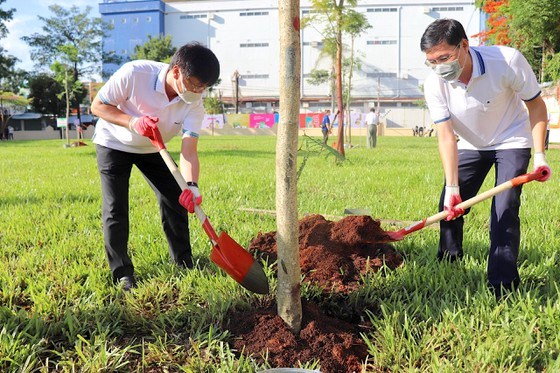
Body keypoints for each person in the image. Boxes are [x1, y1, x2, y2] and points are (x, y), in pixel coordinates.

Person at [420, 19, 551, 296]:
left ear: (464, 46)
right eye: (431, 61)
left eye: (444, 57)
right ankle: (449, 260)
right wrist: (453, 188)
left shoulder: (506, 61)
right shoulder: (434, 83)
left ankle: (502, 284)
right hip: (470, 142)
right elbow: (446, 137)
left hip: (511, 139)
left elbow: (537, 107)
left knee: (504, 208)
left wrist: (539, 156)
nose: (439, 66)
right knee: (449, 206)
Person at [90, 42, 220, 291]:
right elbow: (98, 106)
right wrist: (132, 122)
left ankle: (183, 261)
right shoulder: (135, 74)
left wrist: (191, 185)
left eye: (204, 87)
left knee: (175, 198)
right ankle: (122, 273)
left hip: (153, 148)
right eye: (194, 83)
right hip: (114, 142)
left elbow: (189, 149)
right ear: (176, 71)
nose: (198, 90)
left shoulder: (195, 102)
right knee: (115, 207)